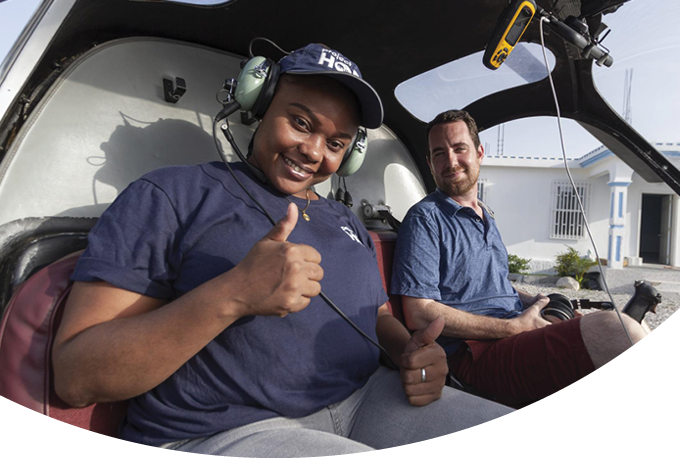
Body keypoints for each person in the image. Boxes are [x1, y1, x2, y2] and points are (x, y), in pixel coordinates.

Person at [52, 46, 512, 456]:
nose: (314, 152)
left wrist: (409, 351)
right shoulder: (173, 194)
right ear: (259, 104)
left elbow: (376, 315)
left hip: (366, 399)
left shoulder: (344, 219)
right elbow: (77, 375)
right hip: (226, 430)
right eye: (300, 123)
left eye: (335, 144)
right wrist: (233, 294)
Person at [390, 109, 648, 408]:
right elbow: (418, 312)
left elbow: (496, 285)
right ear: (429, 163)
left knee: (627, 325)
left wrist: (535, 300)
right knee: (616, 332)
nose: (450, 161)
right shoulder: (426, 219)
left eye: (459, 148)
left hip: (515, 334)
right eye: (439, 153)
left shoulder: (486, 216)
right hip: (476, 355)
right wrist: (513, 328)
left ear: (479, 152)